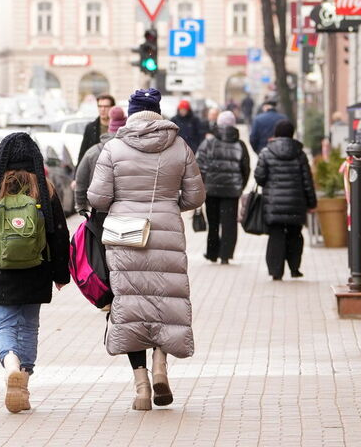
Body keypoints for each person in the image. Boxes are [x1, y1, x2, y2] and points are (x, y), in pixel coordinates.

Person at [88, 88, 205, 411]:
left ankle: (141, 387)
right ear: (158, 112)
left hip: (126, 237)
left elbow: (97, 199)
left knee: (130, 309)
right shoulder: (179, 146)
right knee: (164, 305)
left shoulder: (114, 148)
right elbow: (195, 197)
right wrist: (168, 204)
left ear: (130, 112)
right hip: (166, 232)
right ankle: (160, 367)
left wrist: (123, 203)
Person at [0, 132, 70, 414]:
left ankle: (10, 363)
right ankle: (23, 376)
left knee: (5, 325)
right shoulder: (44, 190)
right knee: (29, 326)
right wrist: (61, 273)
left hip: (1, 272)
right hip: (37, 269)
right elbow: (59, 234)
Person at [255, 119, 317, 281]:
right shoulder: (300, 154)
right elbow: (307, 181)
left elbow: (260, 178)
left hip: (274, 204)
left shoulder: (266, 152)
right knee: (295, 235)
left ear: (275, 133)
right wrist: (312, 203)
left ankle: (276, 271)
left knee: (276, 235)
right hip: (296, 203)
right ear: (292, 133)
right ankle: (295, 268)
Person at [195, 110, 248, 265]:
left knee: (213, 222)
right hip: (232, 190)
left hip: (211, 189)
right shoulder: (240, 145)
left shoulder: (209, 142)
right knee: (229, 223)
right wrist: (240, 186)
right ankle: (225, 254)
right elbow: (246, 168)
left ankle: (212, 253)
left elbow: (199, 165)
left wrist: (203, 183)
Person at [74, 105, 126, 215]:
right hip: (127, 210)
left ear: (109, 129)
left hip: (99, 210)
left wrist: (81, 206)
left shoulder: (93, 152)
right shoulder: (133, 150)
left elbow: (80, 180)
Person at [78, 94, 116, 164]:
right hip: (94, 168)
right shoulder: (91, 127)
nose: (102, 109)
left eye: (106, 106)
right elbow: (83, 153)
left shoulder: (119, 128)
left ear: (112, 108)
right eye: (100, 106)